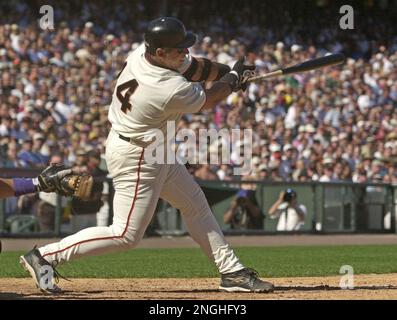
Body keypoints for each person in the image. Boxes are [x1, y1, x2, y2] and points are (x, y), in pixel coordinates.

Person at [20, 17, 274, 294]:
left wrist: (232, 73)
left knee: (196, 205)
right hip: (138, 155)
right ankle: (45, 257)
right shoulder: (165, 87)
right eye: (179, 49)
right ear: (161, 52)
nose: (185, 53)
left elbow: (198, 68)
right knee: (125, 234)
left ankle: (232, 272)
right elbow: (210, 99)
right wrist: (233, 80)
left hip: (152, 148)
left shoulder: (144, 54)